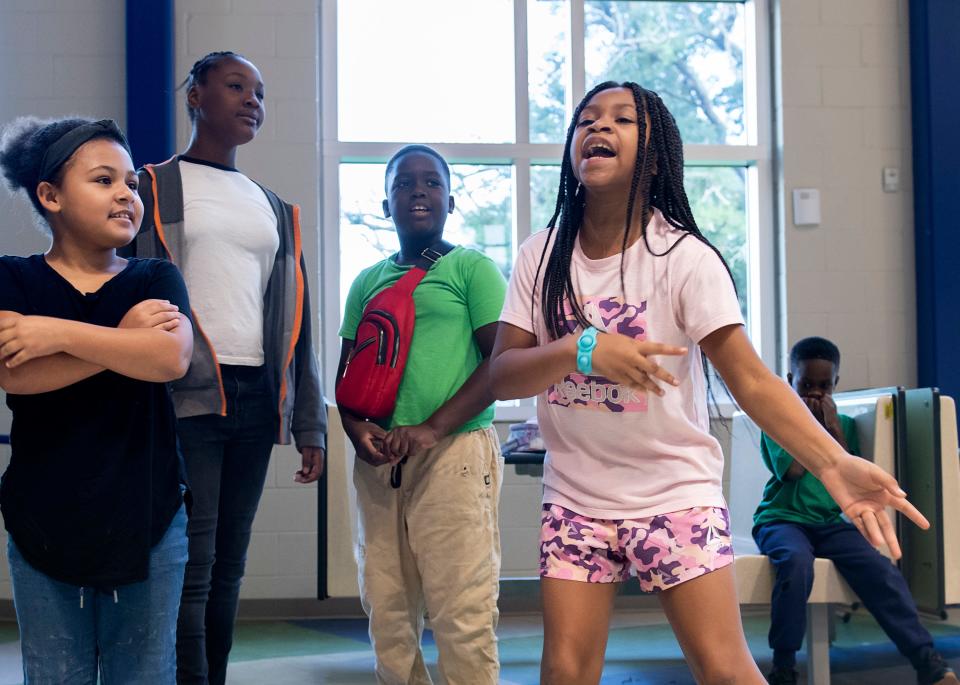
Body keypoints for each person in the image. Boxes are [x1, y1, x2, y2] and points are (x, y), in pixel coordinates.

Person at [490, 81, 929, 685]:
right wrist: (582, 348)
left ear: (655, 152)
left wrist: (832, 464)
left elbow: (751, 379)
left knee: (723, 667)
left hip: (674, 494)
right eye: (585, 120)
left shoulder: (684, 259)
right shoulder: (539, 256)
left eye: (621, 119)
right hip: (575, 498)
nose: (597, 128)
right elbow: (500, 375)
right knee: (564, 670)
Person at [124, 51, 328, 685]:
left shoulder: (271, 204)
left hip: (256, 393)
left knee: (231, 560)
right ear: (195, 96)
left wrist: (310, 423)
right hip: (185, 393)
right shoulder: (151, 185)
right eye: (236, 86)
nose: (252, 101)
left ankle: (213, 675)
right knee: (196, 558)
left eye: (260, 93)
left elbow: (298, 318)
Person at [0, 116, 194, 683]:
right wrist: (124, 341)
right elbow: (15, 375)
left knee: (146, 673)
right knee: (57, 674)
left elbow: (168, 360)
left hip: (148, 516)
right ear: (51, 196)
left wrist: (56, 336)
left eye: (132, 184)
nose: (125, 195)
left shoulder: (156, 278)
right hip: (42, 518)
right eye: (104, 180)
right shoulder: (12, 278)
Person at [337, 145, 506, 684]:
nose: (417, 190)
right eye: (403, 183)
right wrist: (355, 427)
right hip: (379, 462)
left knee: (462, 614)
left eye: (431, 182)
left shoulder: (471, 270)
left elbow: (502, 364)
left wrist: (432, 428)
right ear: (386, 204)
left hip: (453, 455)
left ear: (450, 201)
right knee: (387, 614)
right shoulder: (367, 281)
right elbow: (348, 379)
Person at [754, 336, 958, 685]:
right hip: (781, 520)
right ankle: (784, 665)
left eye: (824, 386)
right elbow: (793, 471)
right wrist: (811, 425)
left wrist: (831, 425)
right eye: (806, 385)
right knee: (795, 563)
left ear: (835, 385)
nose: (816, 394)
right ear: (791, 382)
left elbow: (847, 469)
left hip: (830, 524)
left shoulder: (844, 424)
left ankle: (929, 663)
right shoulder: (778, 426)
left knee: (881, 569)